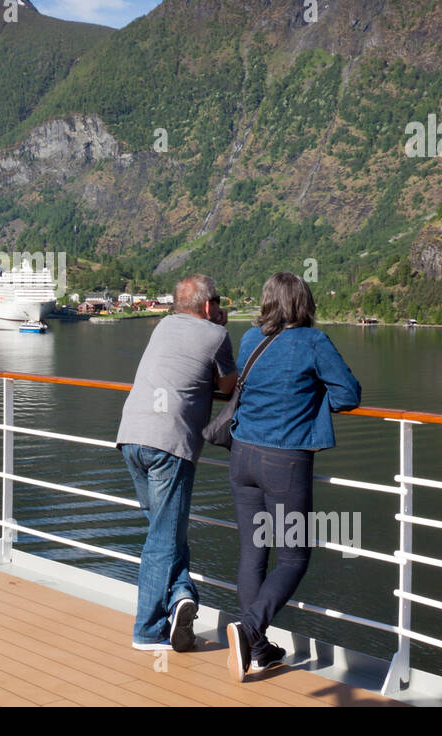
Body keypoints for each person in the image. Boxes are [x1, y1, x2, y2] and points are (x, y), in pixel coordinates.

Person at [226, 272, 361, 680]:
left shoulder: (251, 339)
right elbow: (348, 394)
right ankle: (248, 631)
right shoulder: (313, 342)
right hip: (283, 461)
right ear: (305, 303)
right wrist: (312, 396)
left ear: (268, 302)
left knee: (253, 553)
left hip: (242, 455)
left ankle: (260, 649)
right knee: (293, 557)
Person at [116, 274, 237, 652]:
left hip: (131, 437)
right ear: (207, 306)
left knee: (164, 532)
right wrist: (219, 329)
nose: (221, 307)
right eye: (218, 301)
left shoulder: (163, 325)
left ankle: (181, 596)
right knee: (162, 540)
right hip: (170, 445)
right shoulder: (216, 335)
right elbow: (229, 386)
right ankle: (148, 630)